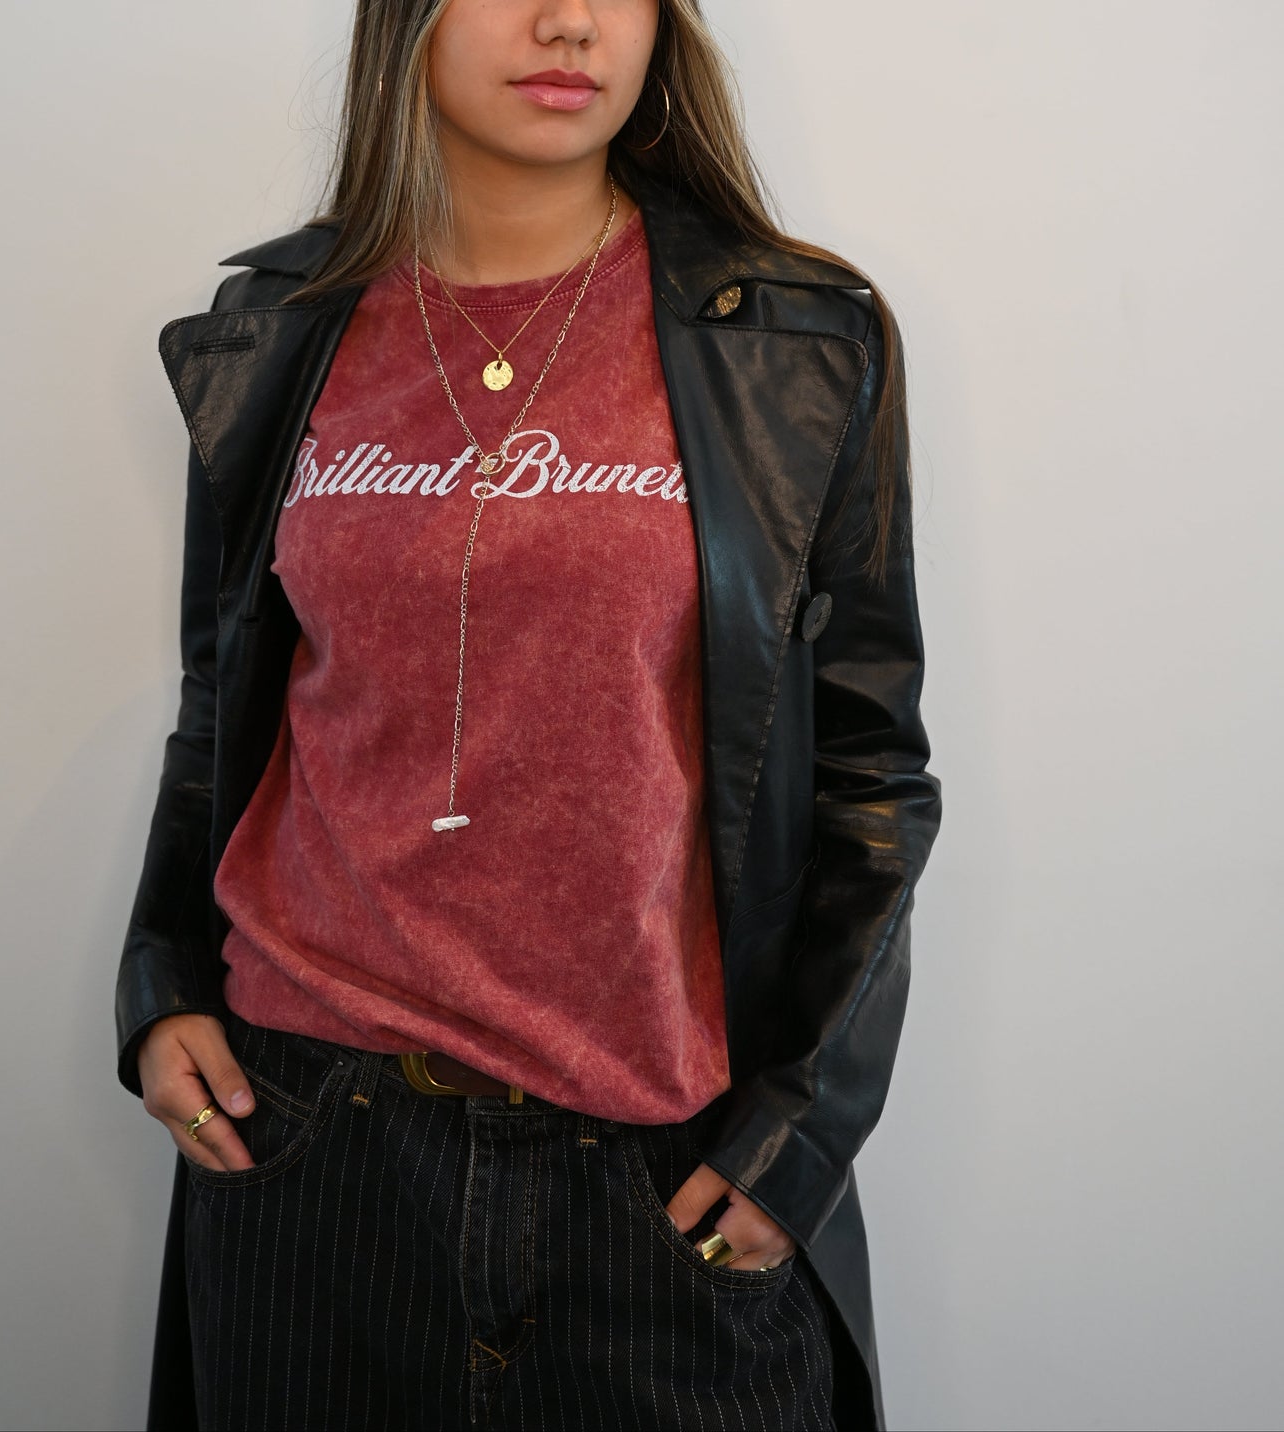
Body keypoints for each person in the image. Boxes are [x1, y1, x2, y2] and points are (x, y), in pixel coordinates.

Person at [115, 1, 942, 1428]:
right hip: (313, 1138)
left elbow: (874, 766)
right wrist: (161, 983)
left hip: (657, 1162)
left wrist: (799, 1134)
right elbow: (226, 704)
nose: (568, 22)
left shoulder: (797, 338)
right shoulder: (280, 333)